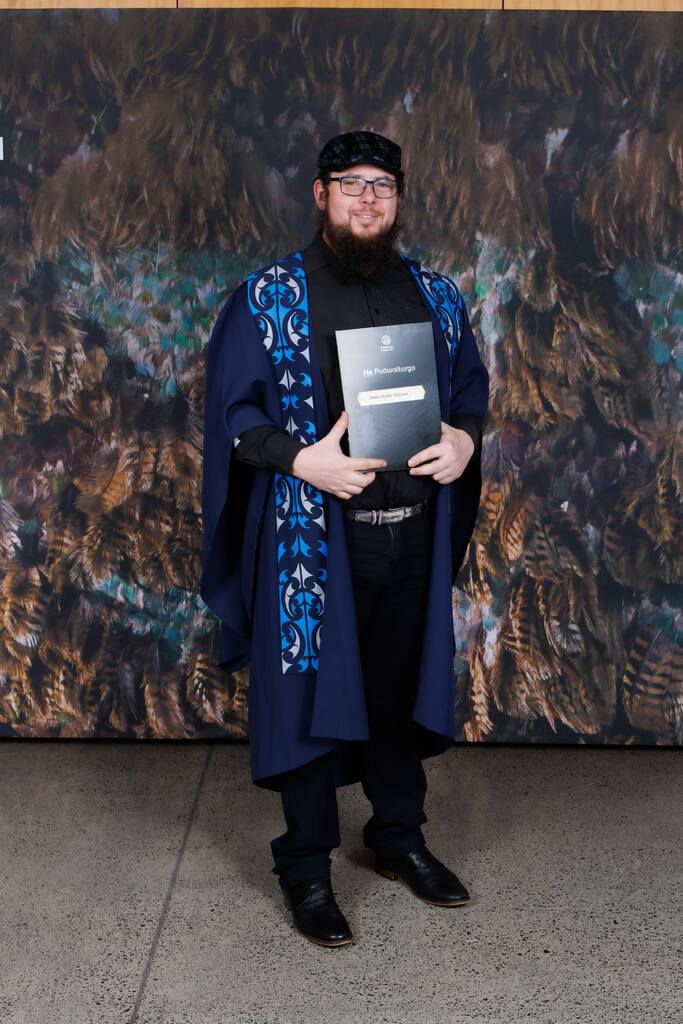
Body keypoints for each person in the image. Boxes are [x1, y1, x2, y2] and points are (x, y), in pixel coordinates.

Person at [201, 130, 489, 948]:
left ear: (398, 200)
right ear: (320, 194)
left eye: (383, 186)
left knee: (398, 685)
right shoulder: (269, 298)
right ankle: (305, 867)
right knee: (307, 702)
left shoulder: (435, 296)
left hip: (411, 533)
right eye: (351, 184)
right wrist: (304, 461)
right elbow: (234, 416)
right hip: (310, 537)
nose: (368, 198)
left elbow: (467, 394)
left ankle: (397, 839)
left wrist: (464, 440)